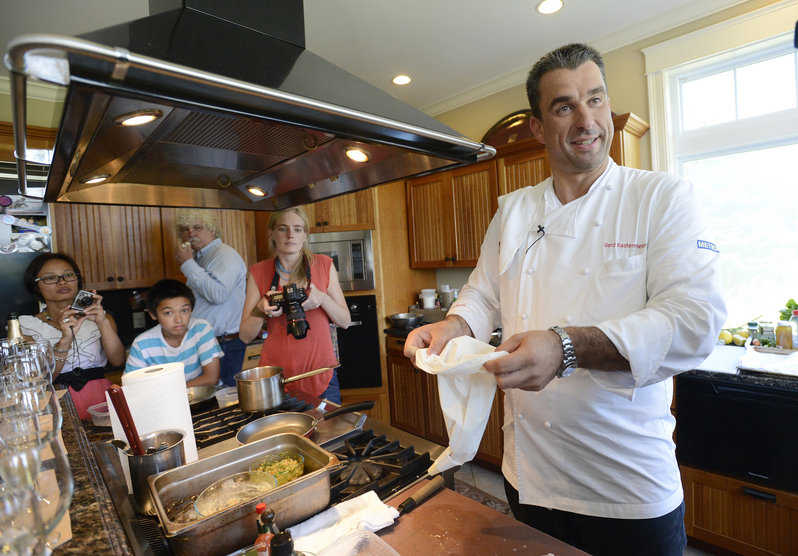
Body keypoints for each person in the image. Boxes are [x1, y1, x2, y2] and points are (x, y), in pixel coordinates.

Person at [403, 43, 726, 556]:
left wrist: (565, 346)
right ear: (537, 127)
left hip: (626, 490)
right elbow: (483, 295)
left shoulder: (661, 197)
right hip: (530, 476)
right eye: (564, 106)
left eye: (595, 100)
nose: (586, 119)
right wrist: (455, 327)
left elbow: (694, 322)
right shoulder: (512, 210)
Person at [239, 207, 350, 403]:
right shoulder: (258, 271)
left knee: (328, 433)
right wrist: (260, 309)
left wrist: (322, 299)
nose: (291, 235)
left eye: (298, 229)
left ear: (306, 234)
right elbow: (245, 336)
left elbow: (345, 321)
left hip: (321, 374)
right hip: (276, 379)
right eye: (283, 229)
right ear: (271, 233)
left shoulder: (323, 265)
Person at [20, 253, 126, 420]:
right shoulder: (26, 328)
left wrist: (102, 322)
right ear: (36, 286)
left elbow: (118, 361)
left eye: (68, 275)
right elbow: (42, 379)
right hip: (55, 403)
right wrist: (65, 339)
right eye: (50, 278)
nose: (62, 281)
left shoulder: (101, 317)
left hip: (101, 399)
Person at [175, 209, 247, 386]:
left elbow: (217, 294)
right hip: (210, 343)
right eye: (185, 229)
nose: (191, 233)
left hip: (225, 344)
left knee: (224, 401)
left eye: (197, 227)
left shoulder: (224, 255)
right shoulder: (200, 258)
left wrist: (187, 264)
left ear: (213, 230)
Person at [125, 279, 222, 386]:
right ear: (153, 314)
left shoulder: (201, 329)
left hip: (204, 399)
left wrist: (168, 391)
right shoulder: (142, 344)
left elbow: (211, 379)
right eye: (168, 313)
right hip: (164, 401)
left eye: (184, 310)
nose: (178, 319)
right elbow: (130, 385)